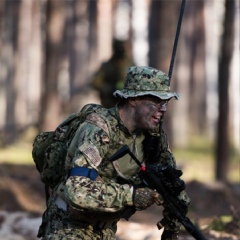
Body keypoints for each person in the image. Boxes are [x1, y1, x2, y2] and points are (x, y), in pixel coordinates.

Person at [38, 66, 190, 240]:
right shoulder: (98, 129)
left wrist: (172, 227)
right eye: (156, 101)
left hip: (107, 230)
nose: (162, 109)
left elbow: (174, 188)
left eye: (165, 103)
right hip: (68, 227)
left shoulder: (153, 137)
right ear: (133, 99)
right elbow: (77, 190)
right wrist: (132, 195)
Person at [92, 39, 134, 108]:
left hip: (126, 102)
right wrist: (109, 89)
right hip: (110, 103)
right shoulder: (107, 66)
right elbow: (96, 82)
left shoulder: (130, 65)